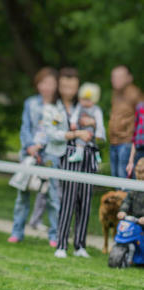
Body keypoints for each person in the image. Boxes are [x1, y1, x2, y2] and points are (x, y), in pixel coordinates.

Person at [9, 67, 67, 246]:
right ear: (37, 84)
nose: (46, 87)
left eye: (50, 83)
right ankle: (17, 232)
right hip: (29, 154)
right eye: (43, 83)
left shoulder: (60, 106)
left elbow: (60, 131)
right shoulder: (30, 103)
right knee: (22, 193)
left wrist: (44, 146)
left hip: (50, 154)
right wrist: (29, 147)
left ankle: (54, 235)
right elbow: (25, 127)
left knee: (52, 196)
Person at [55, 86, 106, 258]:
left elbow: (101, 135)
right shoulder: (73, 110)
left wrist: (94, 125)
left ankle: (80, 245)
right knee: (68, 201)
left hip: (90, 154)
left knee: (85, 202)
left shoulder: (96, 112)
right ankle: (61, 244)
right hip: (72, 153)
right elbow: (64, 129)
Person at [28, 67, 79, 231]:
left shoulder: (80, 108)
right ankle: (57, 228)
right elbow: (49, 133)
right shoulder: (50, 108)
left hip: (71, 155)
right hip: (51, 153)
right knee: (50, 191)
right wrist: (73, 134)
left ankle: (52, 224)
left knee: (57, 192)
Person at [108, 65, 142, 178]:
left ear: (129, 78)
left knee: (125, 180)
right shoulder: (115, 94)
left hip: (127, 143)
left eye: (120, 77)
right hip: (113, 142)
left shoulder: (135, 94)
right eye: (114, 77)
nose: (116, 80)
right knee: (115, 178)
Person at [68, 83, 105, 163]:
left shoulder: (96, 110)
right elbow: (75, 115)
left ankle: (94, 156)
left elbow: (99, 123)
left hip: (91, 130)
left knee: (92, 143)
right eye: (83, 99)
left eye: (88, 100)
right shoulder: (79, 106)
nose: (85, 102)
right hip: (80, 128)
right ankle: (80, 154)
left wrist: (99, 133)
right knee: (80, 140)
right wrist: (73, 123)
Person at [117, 158, 144, 225]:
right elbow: (127, 201)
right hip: (135, 222)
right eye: (138, 171)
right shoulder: (134, 189)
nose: (140, 175)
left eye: (142, 172)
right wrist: (123, 211)